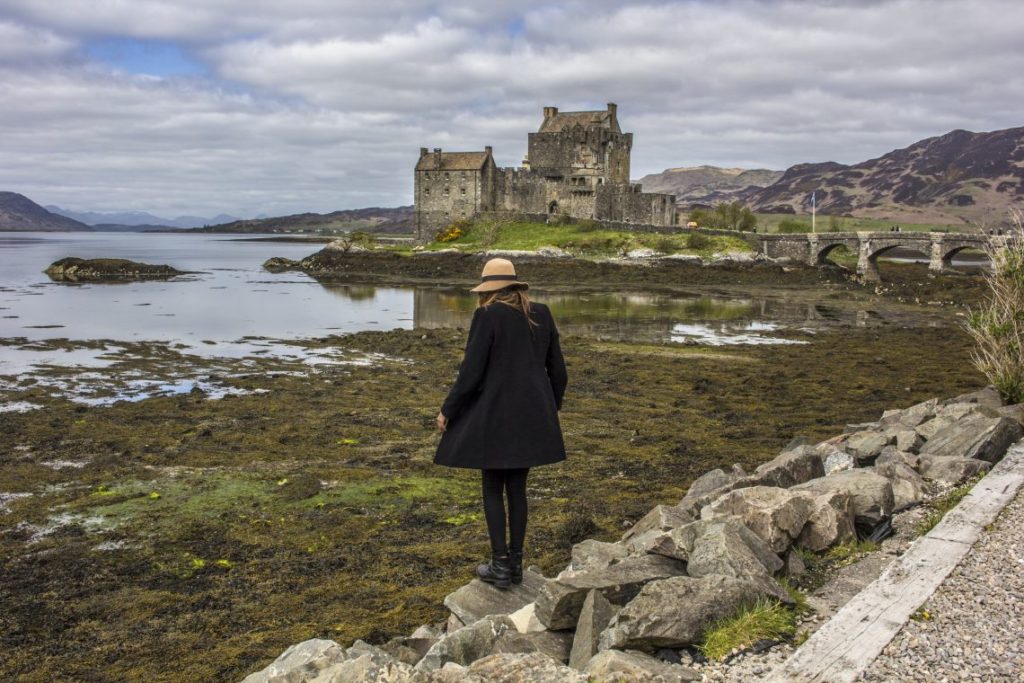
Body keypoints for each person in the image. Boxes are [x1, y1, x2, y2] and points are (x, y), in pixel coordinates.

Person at [434, 257, 567, 589]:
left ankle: (500, 566)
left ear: (489, 289)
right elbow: (559, 371)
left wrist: (448, 410)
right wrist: (552, 407)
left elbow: (471, 373)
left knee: (493, 488)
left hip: (495, 415)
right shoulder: (542, 313)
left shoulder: (487, 315)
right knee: (518, 490)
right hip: (532, 415)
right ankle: (517, 566)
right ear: (515, 285)